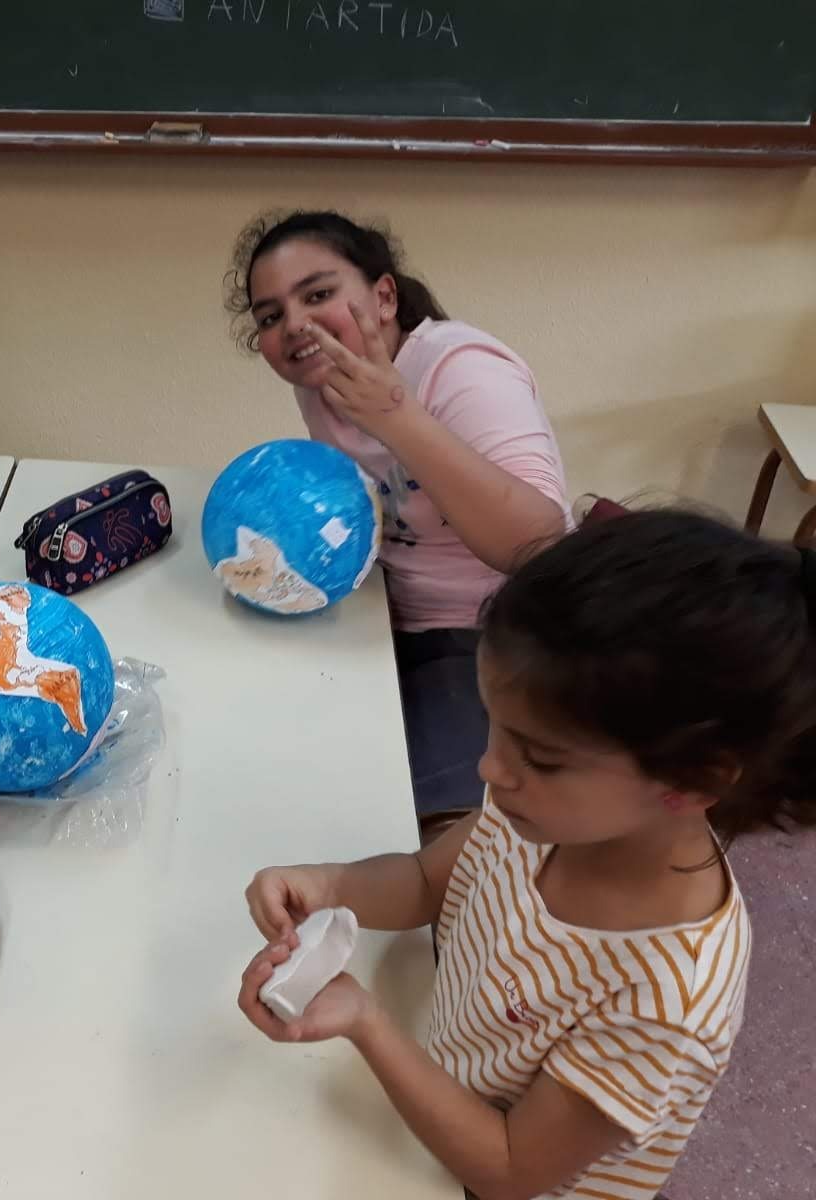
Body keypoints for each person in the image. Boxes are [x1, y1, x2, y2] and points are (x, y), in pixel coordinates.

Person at [237, 509, 816, 1200]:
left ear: (692, 782)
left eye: (540, 756)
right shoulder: (541, 814)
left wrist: (366, 1022)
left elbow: (510, 1170)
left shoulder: (668, 1001)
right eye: (497, 729)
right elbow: (426, 881)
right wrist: (327, 885)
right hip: (449, 1081)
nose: (489, 769)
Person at [226, 211, 569, 829]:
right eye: (271, 317)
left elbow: (539, 544)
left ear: (384, 297)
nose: (295, 324)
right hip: (376, 611)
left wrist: (396, 417)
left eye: (317, 295)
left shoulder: (461, 368)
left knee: (424, 829)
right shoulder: (321, 382)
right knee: (262, 760)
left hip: (491, 632)